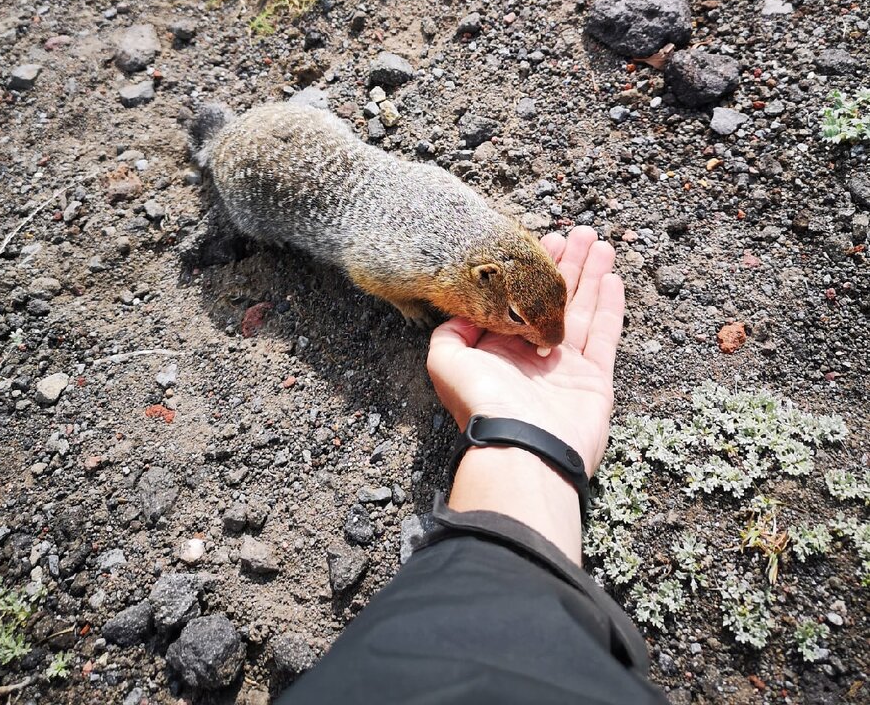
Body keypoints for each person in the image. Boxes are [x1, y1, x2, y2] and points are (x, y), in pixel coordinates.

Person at [281, 227, 668, 704]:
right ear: (481, 280)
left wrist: (524, 440)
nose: (553, 341)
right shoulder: (435, 271)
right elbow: (366, 267)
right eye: (517, 318)